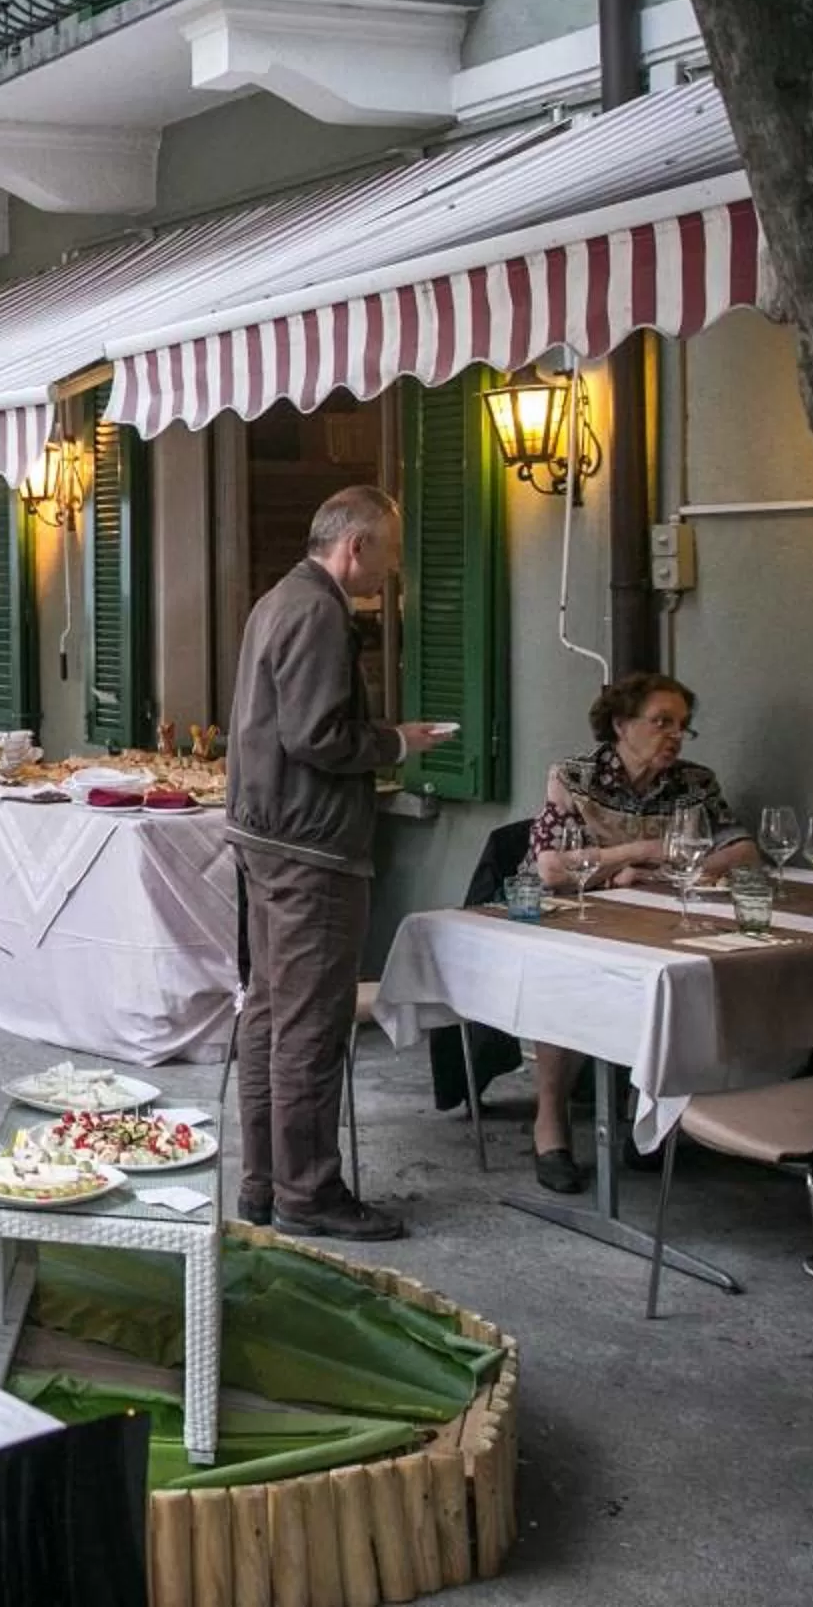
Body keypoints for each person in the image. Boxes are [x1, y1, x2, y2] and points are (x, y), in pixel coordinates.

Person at [225, 487, 454, 1241]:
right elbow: (317, 737)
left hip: (269, 840)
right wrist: (396, 742)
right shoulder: (321, 611)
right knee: (310, 1028)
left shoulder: (276, 601)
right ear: (356, 546)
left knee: (270, 1015)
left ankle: (265, 1185)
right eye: (388, 555)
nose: (391, 572)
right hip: (312, 848)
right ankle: (309, 1194)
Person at [524, 671, 763, 1194]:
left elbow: (744, 850)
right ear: (621, 724)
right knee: (564, 982)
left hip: (654, 913)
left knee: (681, 981)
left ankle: (645, 1114)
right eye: (661, 722)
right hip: (572, 914)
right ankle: (550, 1119)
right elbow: (553, 868)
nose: (675, 735)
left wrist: (672, 872)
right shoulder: (574, 776)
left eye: (682, 725)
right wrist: (641, 852)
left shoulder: (694, 782)